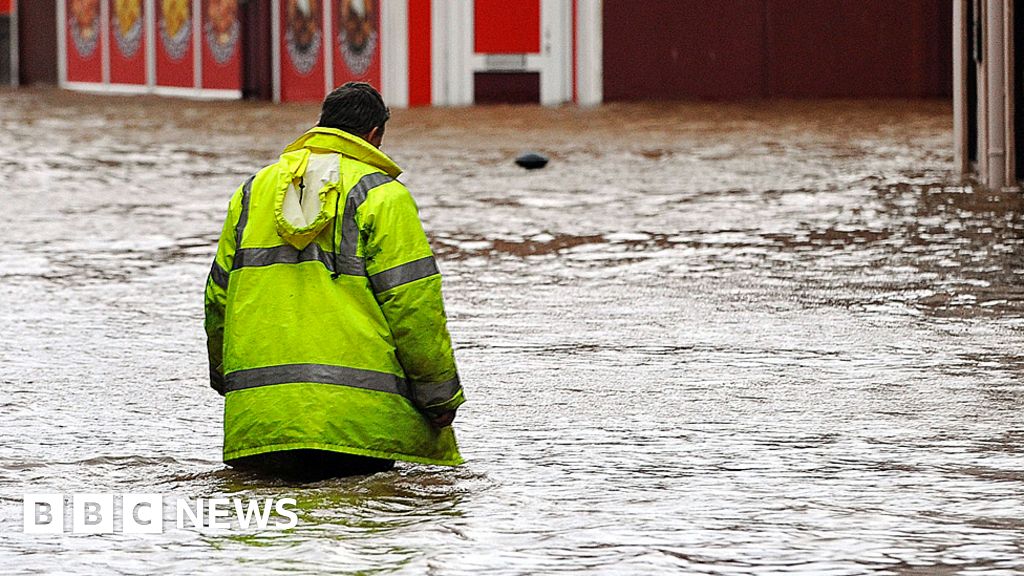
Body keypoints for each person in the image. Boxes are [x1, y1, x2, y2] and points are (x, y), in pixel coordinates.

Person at [203, 82, 464, 480]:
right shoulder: (383, 195)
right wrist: (439, 397)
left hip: (262, 419)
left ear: (322, 124)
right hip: (358, 425)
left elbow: (218, 297)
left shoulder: (253, 192)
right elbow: (414, 305)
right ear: (375, 135)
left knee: (268, 533)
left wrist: (231, 382)